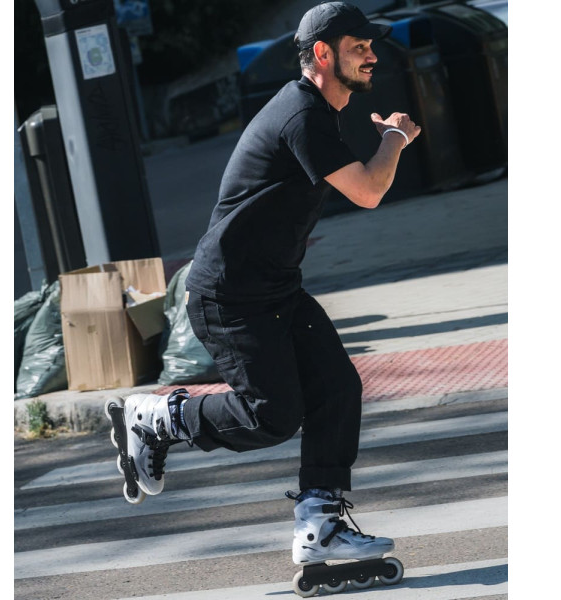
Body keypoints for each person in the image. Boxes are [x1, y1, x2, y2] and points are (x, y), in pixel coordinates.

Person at [118, 0, 420, 571]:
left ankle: (320, 526)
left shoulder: (316, 110)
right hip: (230, 295)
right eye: (359, 47)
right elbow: (368, 191)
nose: (372, 57)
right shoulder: (300, 114)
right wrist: (394, 138)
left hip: (274, 287)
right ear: (323, 54)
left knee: (337, 389)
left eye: (371, 47)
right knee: (270, 416)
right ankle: (158, 418)